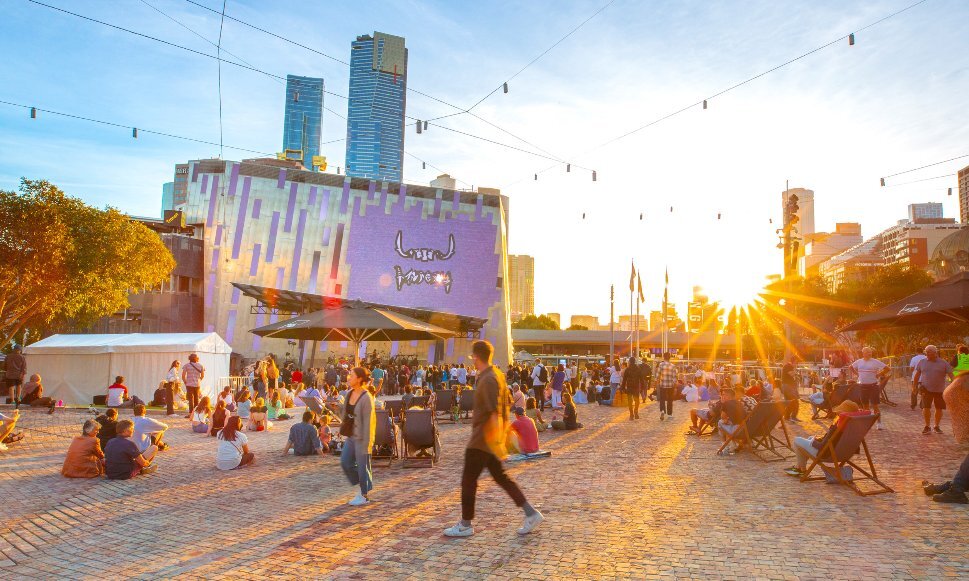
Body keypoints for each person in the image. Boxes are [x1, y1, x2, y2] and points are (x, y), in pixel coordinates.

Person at [444, 340, 543, 538]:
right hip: (489, 438)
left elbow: (493, 412)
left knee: (468, 480)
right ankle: (530, 513)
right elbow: (505, 407)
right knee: (501, 478)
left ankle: (465, 523)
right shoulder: (496, 375)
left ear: (476, 357)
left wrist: (496, 442)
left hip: (482, 439)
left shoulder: (487, 379)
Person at [784, 401, 867, 477]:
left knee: (797, 440)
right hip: (844, 454)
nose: (838, 413)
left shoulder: (837, 427)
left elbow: (822, 446)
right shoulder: (853, 427)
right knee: (809, 438)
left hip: (826, 454)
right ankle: (800, 468)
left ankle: (800, 468)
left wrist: (813, 441)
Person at [341, 366, 376, 506]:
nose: (349, 377)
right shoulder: (349, 394)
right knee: (345, 462)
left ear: (360, 379)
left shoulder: (366, 397)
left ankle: (364, 495)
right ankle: (364, 483)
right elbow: (345, 413)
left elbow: (370, 422)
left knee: (363, 467)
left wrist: (368, 442)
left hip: (362, 436)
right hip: (351, 435)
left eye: (352, 375)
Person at [913, 345, 955, 435]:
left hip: (940, 390)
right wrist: (914, 386)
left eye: (929, 352)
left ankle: (936, 426)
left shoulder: (943, 363)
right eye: (926, 352)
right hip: (926, 389)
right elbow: (917, 375)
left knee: (939, 408)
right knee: (926, 408)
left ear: (935, 353)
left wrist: (954, 385)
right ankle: (927, 426)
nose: (927, 354)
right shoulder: (922, 362)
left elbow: (951, 375)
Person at [850, 347, 889, 430]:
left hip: (873, 386)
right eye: (867, 352)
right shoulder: (859, 362)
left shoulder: (875, 361)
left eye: (870, 352)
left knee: (875, 406)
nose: (869, 353)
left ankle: (879, 423)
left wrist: (879, 374)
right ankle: (866, 424)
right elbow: (850, 367)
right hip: (862, 386)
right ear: (863, 353)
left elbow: (887, 368)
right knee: (865, 406)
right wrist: (857, 374)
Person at [717, 388, 747, 454]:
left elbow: (722, 417)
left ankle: (724, 446)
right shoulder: (738, 402)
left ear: (728, 396)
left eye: (723, 394)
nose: (722, 396)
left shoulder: (726, 403)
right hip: (744, 429)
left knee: (720, 422)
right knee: (727, 423)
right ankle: (733, 445)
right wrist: (727, 420)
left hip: (736, 430)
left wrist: (722, 403)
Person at [181, 353, 205, 419]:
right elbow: (202, 375)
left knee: (190, 399)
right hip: (197, 384)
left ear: (189, 358)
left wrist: (185, 382)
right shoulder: (201, 365)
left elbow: (183, 376)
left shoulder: (186, 365)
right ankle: (196, 414)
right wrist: (199, 380)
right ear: (197, 359)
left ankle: (190, 413)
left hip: (189, 384)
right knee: (196, 399)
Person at [655, 352, 677, 421]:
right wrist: (673, 383)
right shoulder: (673, 366)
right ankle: (670, 415)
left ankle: (662, 411)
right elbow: (675, 377)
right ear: (670, 357)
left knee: (662, 399)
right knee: (670, 400)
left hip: (663, 385)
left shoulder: (661, 365)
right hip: (670, 385)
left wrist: (656, 382)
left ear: (663, 357)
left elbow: (657, 375)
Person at [781, 357, 800, 423]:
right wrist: (795, 370)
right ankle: (791, 417)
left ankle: (788, 417)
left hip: (789, 386)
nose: (797, 364)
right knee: (793, 401)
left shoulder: (789, 366)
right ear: (793, 361)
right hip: (787, 386)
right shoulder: (788, 366)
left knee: (791, 402)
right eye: (796, 362)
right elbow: (791, 374)